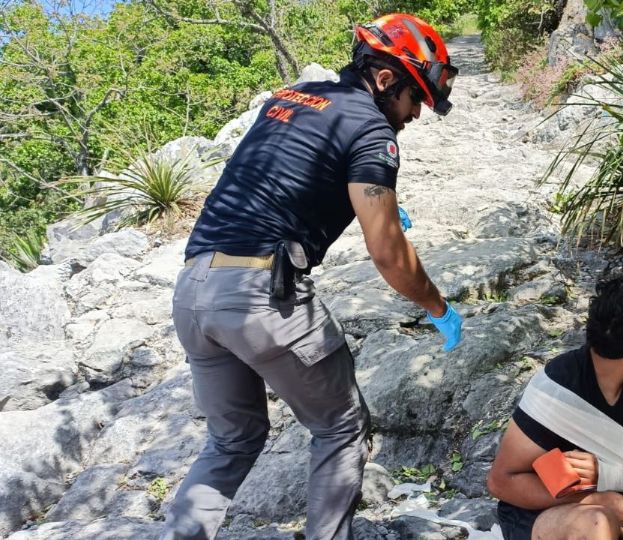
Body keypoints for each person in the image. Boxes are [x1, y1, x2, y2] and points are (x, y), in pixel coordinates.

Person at [161, 13, 462, 540]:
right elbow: (389, 256)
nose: (416, 114)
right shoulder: (372, 128)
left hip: (193, 292)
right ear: (386, 79)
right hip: (263, 298)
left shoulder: (290, 98)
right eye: (416, 98)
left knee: (231, 441)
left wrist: (376, 203)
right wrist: (438, 307)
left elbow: (282, 175)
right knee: (341, 428)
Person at [487, 275, 623, 540]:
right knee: (596, 523)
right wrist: (594, 498)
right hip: (542, 512)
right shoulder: (558, 387)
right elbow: (502, 482)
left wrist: (605, 475)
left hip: (618, 513)